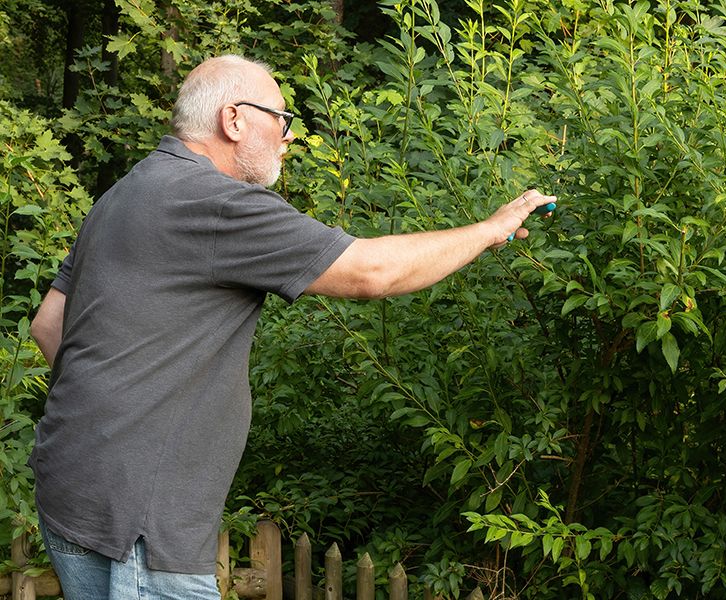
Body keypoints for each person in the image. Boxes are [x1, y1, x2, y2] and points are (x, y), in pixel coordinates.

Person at [27, 54, 555, 600]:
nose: (289, 136)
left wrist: (108, 417)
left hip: (71, 487)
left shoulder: (126, 192)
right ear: (234, 120)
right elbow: (371, 272)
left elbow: (48, 323)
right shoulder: (215, 202)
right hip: (141, 519)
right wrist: (490, 229)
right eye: (281, 118)